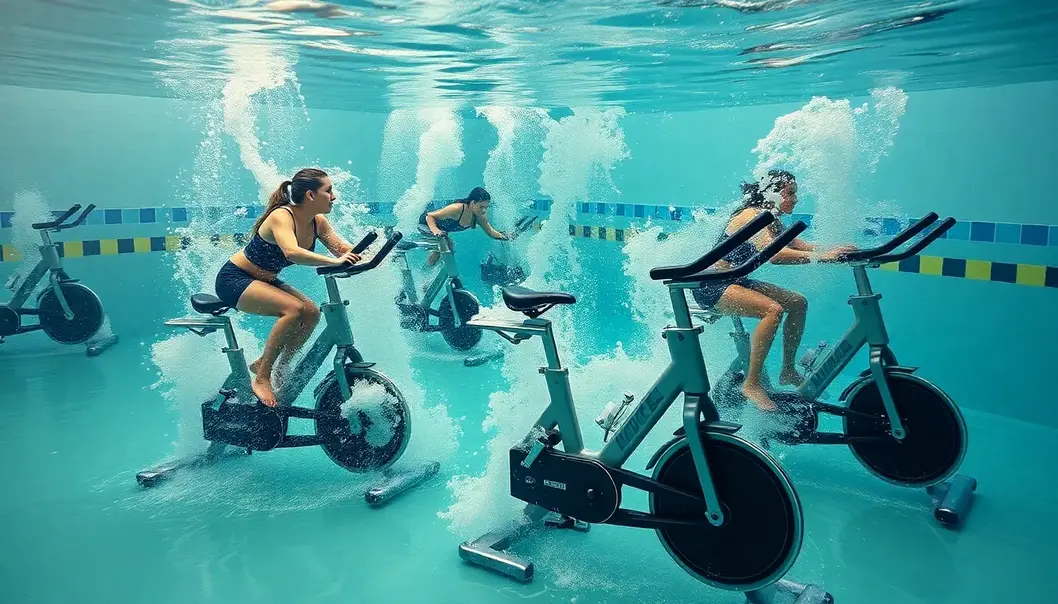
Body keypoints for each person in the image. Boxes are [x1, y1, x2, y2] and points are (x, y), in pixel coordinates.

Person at [692, 170, 855, 412]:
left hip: (735, 281)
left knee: (798, 303)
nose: (795, 199)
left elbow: (797, 244)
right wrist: (824, 257)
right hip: (711, 286)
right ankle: (751, 384)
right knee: (772, 310)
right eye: (791, 193)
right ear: (773, 193)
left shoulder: (771, 218)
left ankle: (787, 370)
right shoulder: (752, 215)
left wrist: (834, 249)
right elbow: (776, 255)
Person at [214, 168, 361, 407]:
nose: (334, 197)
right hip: (234, 279)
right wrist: (334, 262)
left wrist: (373, 256)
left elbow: (342, 250)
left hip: (264, 280)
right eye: (329, 191)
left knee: (311, 312)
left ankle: (280, 364)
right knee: (293, 309)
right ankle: (262, 378)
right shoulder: (281, 216)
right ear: (311, 195)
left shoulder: (318, 223)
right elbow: (291, 252)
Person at [418, 187, 510, 270]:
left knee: (442, 248)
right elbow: (429, 216)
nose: (484, 210)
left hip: (441, 229)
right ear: (473, 202)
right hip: (426, 224)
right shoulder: (456, 209)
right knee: (447, 244)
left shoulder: (479, 216)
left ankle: (428, 272)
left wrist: (507, 237)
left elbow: (490, 232)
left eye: (486, 207)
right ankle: (428, 271)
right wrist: (436, 232)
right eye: (481, 207)